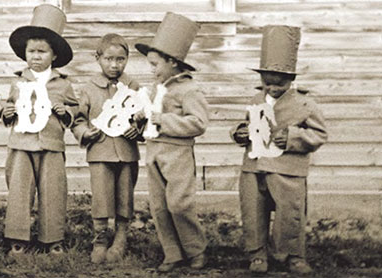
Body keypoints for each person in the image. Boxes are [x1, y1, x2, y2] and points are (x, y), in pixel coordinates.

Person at [231, 25, 328, 275]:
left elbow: (319, 134)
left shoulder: (305, 103)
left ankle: (293, 256)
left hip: (288, 170)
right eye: (267, 83)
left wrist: (294, 137)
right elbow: (246, 125)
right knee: (253, 212)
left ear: (292, 79)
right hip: (253, 167)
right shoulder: (256, 99)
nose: (272, 88)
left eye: (279, 83)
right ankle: (257, 254)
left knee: (290, 213)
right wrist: (239, 133)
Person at [0, 4, 78, 256]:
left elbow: (76, 110)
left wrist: (65, 112)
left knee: (53, 191)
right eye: (31, 51)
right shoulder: (18, 81)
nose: (36, 56)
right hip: (21, 144)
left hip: (52, 144)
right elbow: (8, 104)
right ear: (24, 54)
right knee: (20, 191)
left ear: (54, 55)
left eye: (42, 51)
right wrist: (6, 111)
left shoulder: (63, 84)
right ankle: (18, 239)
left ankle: (52, 239)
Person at [133, 12, 208, 272]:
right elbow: (150, 121)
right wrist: (142, 119)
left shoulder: (189, 90)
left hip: (177, 154)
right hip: (154, 152)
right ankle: (172, 253)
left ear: (173, 63)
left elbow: (198, 123)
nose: (152, 69)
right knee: (160, 206)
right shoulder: (157, 89)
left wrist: (162, 119)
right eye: (150, 64)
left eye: (155, 64)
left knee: (180, 204)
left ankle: (195, 250)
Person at [71, 33, 143, 264]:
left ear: (127, 59)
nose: (114, 65)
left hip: (126, 151)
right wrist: (84, 133)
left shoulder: (133, 86)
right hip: (100, 151)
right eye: (109, 59)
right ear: (98, 58)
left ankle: (121, 237)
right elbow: (78, 119)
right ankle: (100, 238)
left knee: (125, 195)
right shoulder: (90, 88)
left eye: (120, 59)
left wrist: (137, 127)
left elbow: (144, 115)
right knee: (101, 196)